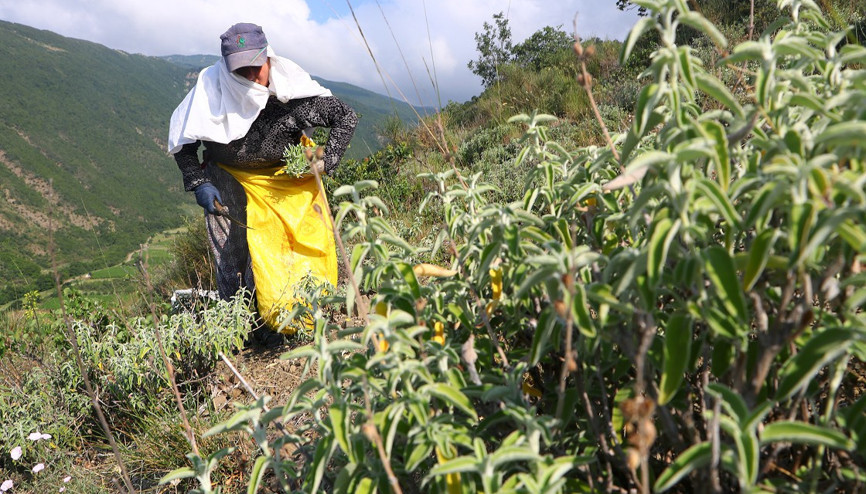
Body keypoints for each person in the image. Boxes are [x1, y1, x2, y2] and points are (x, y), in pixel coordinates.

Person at [167, 22, 358, 331]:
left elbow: (345, 117)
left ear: (269, 58)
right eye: (241, 71)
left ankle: (286, 319)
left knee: (284, 249)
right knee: (231, 255)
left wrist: (328, 159)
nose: (252, 77)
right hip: (228, 178)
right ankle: (235, 326)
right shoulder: (211, 89)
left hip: (284, 179)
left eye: (257, 67)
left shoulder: (292, 94)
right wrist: (199, 181)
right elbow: (184, 142)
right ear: (227, 69)